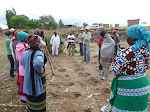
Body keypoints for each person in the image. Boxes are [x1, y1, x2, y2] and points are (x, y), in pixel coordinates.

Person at [110, 25, 150, 111]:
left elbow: (115, 70)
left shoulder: (127, 52)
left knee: (122, 108)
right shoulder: (147, 49)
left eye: (127, 36)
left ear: (132, 38)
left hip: (129, 87)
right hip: (143, 84)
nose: (126, 38)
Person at [19, 32, 46, 112]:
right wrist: (40, 71)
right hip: (37, 81)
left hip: (27, 80)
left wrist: (28, 68)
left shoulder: (25, 53)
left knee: (30, 100)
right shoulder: (38, 53)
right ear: (38, 44)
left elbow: (22, 63)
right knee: (38, 100)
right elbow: (38, 63)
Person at [16, 33, 29, 103]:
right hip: (26, 68)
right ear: (24, 39)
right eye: (26, 37)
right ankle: (27, 98)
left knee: (22, 83)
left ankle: (23, 98)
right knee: (27, 84)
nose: (27, 38)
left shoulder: (17, 47)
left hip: (21, 68)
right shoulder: (26, 47)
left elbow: (17, 58)